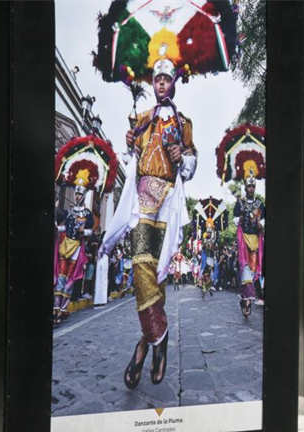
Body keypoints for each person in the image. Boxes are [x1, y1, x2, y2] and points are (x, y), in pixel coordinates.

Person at [99, 56, 197, 389]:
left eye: (167, 80)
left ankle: (144, 346)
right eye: (157, 80)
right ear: (153, 85)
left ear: (173, 84)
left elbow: (191, 164)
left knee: (158, 274)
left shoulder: (184, 123)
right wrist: (128, 145)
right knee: (141, 268)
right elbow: (132, 160)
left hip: (167, 200)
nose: (162, 84)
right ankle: (160, 339)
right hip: (143, 197)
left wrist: (182, 157)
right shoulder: (140, 120)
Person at [53, 185, 93, 324]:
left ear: (84, 196)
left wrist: (84, 232)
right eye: (76, 194)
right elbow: (64, 227)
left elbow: (91, 232)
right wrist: (57, 228)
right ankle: (56, 308)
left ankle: (63, 309)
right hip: (65, 245)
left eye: (80, 194)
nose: (77, 197)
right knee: (61, 277)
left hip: (76, 247)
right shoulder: (69, 212)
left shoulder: (88, 214)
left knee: (70, 279)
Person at [233, 177, 265, 317]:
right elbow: (235, 220)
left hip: (255, 240)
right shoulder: (240, 203)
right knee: (245, 268)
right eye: (249, 186)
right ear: (245, 188)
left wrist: (260, 224)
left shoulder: (260, 204)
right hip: (244, 239)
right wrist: (239, 218)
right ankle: (246, 301)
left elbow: (263, 221)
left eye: (253, 186)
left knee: (252, 270)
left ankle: (246, 299)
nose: (251, 189)